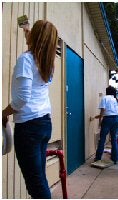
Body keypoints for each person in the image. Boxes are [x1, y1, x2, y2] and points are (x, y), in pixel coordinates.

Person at [2, 20, 58, 198]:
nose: (30, 32)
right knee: (39, 178)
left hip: (29, 128)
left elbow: (21, 99)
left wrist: (4, 113)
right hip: (44, 124)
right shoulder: (46, 62)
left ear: (37, 37)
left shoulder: (26, 60)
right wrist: (28, 33)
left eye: (33, 30)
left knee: (35, 183)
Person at [90, 86, 118, 164]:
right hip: (116, 119)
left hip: (108, 119)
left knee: (102, 139)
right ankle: (115, 158)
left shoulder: (105, 98)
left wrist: (100, 121)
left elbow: (102, 110)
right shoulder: (114, 99)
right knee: (114, 139)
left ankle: (98, 158)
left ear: (107, 91)